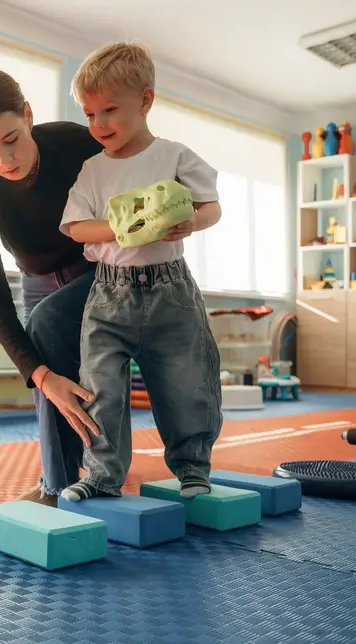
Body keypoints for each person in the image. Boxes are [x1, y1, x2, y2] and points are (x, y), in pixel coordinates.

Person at [58, 41, 224, 502]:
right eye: (90, 114)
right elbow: (74, 227)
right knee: (100, 385)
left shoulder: (172, 156)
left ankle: (192, 469)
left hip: (171, 292)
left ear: (146, 100)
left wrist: (191, 220)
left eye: (110, 110)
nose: (99, 124)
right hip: (110, 295)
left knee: (187, 380)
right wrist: (124, 227)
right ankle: (102, 475)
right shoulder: (92, 170)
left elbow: (211, 207)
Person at [0, 65, 104, 507]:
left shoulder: (77, 143)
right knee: (49, 370)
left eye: (11, 139)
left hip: (101, 265)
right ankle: (57, 484)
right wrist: (40, 377)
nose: (3, 160)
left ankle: (85, 473)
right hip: (38, 280)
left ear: (28, 116)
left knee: (52, 326)